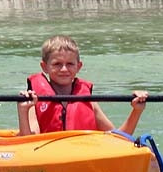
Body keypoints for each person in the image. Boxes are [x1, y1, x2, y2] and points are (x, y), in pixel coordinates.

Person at [17, 35, 148, 135]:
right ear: (44, 67)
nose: (64, 69)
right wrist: (23, 111)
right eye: (57, 64)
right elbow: (27, 142)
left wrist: (136, 110)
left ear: (79, 66)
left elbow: (120, 138)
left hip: (82, 156)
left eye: (70, 64)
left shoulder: (88, 101)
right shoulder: (33, 101)